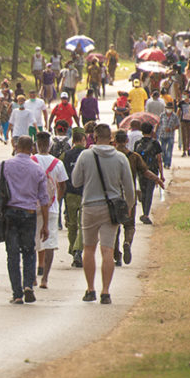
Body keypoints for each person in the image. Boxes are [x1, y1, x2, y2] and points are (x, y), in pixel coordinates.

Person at [71, 123, 136, 304]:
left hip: (90, 206)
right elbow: (130, 188)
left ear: (95, 137)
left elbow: (75, 181)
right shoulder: (121, 158)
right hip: (111, 209)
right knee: (107, 249)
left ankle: (90, 289)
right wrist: (128, 207)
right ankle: (105, 292)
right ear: (111, 139)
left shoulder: (85, 155)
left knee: (89, 249)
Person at [0, 136, 49, 304]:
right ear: (32, 149)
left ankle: (17, 294)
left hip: (9, 214)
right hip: (29, 214)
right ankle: (28, 286)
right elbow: (44, 200)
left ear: (16, 147)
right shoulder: (38, 170)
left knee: (13, 254)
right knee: (29, 251)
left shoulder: (4, 165)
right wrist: (45, 225)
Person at [112, 130, 164, 267]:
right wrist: (157, 179)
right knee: (129, 225)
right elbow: (145, 172)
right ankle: (127, 242)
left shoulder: (111, 156)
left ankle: (116, 255)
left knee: (114, 227)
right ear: (127, 141)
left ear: (115, 141)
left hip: (114, 196)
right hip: (130, 195)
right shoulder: (134, 157)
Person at [31, 132, 68, 288]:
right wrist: (56, 200)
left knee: (32, 243)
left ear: (36, 145)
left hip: (33, 207)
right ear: (50, 145)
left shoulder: (31, 161)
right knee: (50, 243)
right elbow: (63, 185)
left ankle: (32, 276)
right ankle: (45, 279)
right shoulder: (57, 163)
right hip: (52, 208)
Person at [61, 128, 86, 268]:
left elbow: (61, 175)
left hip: (70, 194)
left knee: (71, 225)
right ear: (83, 139)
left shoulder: (66, 155)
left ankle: (73, 249)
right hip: (85, 194)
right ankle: (78, 250)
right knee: (83, 225)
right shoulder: (88, 154)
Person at [133, 122, 164, 224]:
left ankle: (144, 210)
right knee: (149, 193)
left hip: (141, 171)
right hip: (152, 171)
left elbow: (135, 158)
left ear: (142, 131)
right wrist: (161, 174)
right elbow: (159, 159)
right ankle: (146, 214)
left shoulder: (137, 143)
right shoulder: (155, 143)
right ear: (151, 131)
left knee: (144, 191)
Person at [157, 101, 179, 168]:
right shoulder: (162, 115)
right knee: (163, 150)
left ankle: (167, 163)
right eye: (167, 108)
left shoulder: (174, 116)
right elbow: (158, 123)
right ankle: (164, 160)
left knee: (169, 150)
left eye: (170, 108)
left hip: (170, 136)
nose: (168, 110)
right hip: (162, 135)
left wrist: (171, 129)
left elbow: (177, 125)